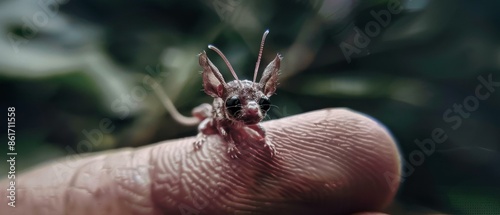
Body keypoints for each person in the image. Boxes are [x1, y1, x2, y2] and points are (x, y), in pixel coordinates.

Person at [0, 108, 401, 215]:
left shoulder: (252, 120)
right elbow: (218, 124)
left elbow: (256, 130)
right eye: (239, 106)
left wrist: (270, 146)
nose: (254, 113)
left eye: (259, 105)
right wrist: (211, 133)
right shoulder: (220, 116)